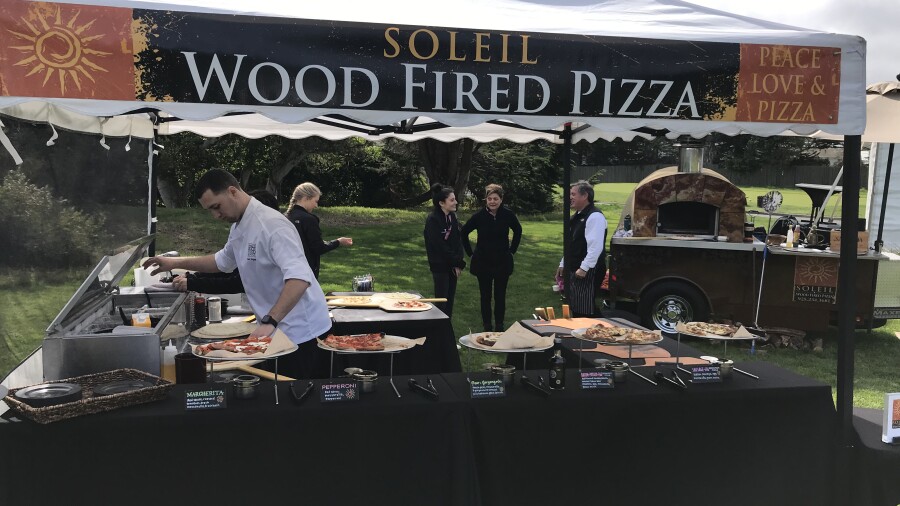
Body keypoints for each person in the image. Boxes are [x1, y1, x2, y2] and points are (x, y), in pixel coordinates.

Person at [143, 170, 331, 379]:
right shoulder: (239, 225)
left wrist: (270, 321)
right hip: (275, 330)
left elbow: (299, 279)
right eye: (210, 210)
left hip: (302, 331)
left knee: (295, 393)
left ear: (232, 191)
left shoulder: (272, 225)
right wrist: (174, 263)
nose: (216, 215)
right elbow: (221, 261)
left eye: (216, 206)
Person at [171, 189, 279, 294]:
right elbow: (226, 266)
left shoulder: (271, 239)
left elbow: (239, 282)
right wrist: (193, 277)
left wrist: (193, 283)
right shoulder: (244, 232)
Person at [461, 184, 522, 331]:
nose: (492, 202)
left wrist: (512, 250)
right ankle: (487, 325)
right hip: (483, 262)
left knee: (500, 295)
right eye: (489, 199)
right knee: (485, 295)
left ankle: (499, 325)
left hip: (502, 261)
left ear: (501, 199)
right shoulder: (479, 216)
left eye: (495, 199)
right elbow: (464, 232)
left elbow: (518, 230)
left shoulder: (508, 215)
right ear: (486, 200)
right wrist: (470, 253)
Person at [556, 180, 608, 317]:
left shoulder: (595, 216)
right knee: (576, 307)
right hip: (576, 267)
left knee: (585, 309)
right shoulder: (577, 216)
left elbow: (595, 246)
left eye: (573, 194)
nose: (570, 197)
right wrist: (563, 263)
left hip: (588, 270)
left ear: (585, 196)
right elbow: (572, 243)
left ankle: (601, 328)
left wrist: (584, 268)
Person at [286, 182, 352, 279]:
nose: (316, 205)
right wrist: (338, 242)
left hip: (287, 269)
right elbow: (318, 247)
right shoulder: (309, 219)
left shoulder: (285, 217)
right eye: (315, 201)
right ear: (305, 198)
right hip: (305, 271)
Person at [423, 183, 465, 317]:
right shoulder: (433, 220)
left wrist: (458, 263)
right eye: (452, 200)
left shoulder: (452, 217)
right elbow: (440, 246)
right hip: (439, 265)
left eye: (455, 199)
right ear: (441, 203)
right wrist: (456, 261)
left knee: (450, 300)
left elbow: (457, 241)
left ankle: (447, 326)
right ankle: (438, 327)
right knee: (442, 301)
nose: (456, 202)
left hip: (452, 265)